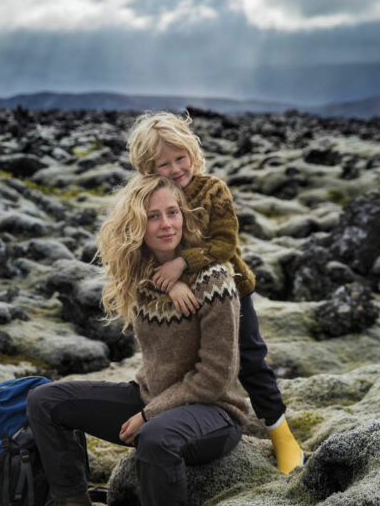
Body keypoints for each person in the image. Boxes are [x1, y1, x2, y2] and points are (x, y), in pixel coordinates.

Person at [26, 174, 247, 506]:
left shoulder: (214, 278)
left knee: (156, 437)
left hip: (215, 412)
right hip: (151, 398)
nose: (167, 224)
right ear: (135, 225)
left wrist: (150, 413)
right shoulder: (142, 273)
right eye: (153, 216)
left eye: (173, 212)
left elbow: (216, 377)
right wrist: (149, 407)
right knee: (45, 400)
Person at [126, 111, 304, 474]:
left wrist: (182, 265)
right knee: (186, 364)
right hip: (184, 302)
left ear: (192, 152)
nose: (176, 169)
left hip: (232, 290)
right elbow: (144, 253)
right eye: (164, 164)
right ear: (147, 168)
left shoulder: (213, 190)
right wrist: (172, 283)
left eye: (181, 158)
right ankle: (178, 424)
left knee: (251, 362)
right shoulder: (151, 201)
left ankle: (280, 433)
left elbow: (225, 243)